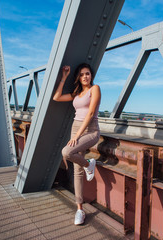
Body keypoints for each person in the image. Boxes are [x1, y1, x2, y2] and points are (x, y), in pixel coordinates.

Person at [53, 63, 101, 225]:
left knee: (67, 153)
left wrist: (77, 136)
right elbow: (56, 97)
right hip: (75, 128)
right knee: (77, 171)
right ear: (78, 78)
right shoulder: (77, 94)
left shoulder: (95, 89)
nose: (85, 77)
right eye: (81, 74)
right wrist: (64, 78)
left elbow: (91, 113)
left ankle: (89, 164)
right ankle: (80, 210)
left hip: (90, 130)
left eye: (87, 74)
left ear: (91, 76)